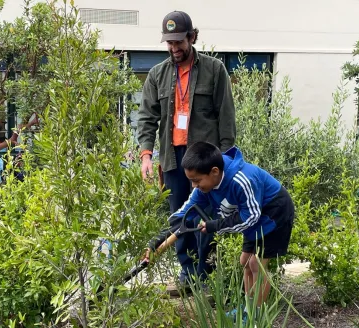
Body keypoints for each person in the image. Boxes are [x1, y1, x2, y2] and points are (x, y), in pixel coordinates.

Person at [136, 10, 236, 287]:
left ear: (192, 37)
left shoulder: (214, 70)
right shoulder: (157, 74)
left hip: (205, 159)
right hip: (172, 158)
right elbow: (147, 117)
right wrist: (146, 154)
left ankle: (207, 272)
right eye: (169, 43)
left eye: (179, 41)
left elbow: (226, 116)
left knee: (207, 215)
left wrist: (228, 158)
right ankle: (187, 274)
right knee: (178, 216)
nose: (174, 48)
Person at [147, 142, 295, 319]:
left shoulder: (241, 180)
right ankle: (248, 309)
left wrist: (213, 225)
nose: (194, 186)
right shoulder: (204, 186)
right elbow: (182, 214)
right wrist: (154, 242)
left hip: (274, 213)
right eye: (191, 181)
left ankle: (256, 316)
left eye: (196, 180)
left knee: (257, 264)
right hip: (251, 213)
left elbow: (250, 218)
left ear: (214, 172)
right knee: (245, 262)